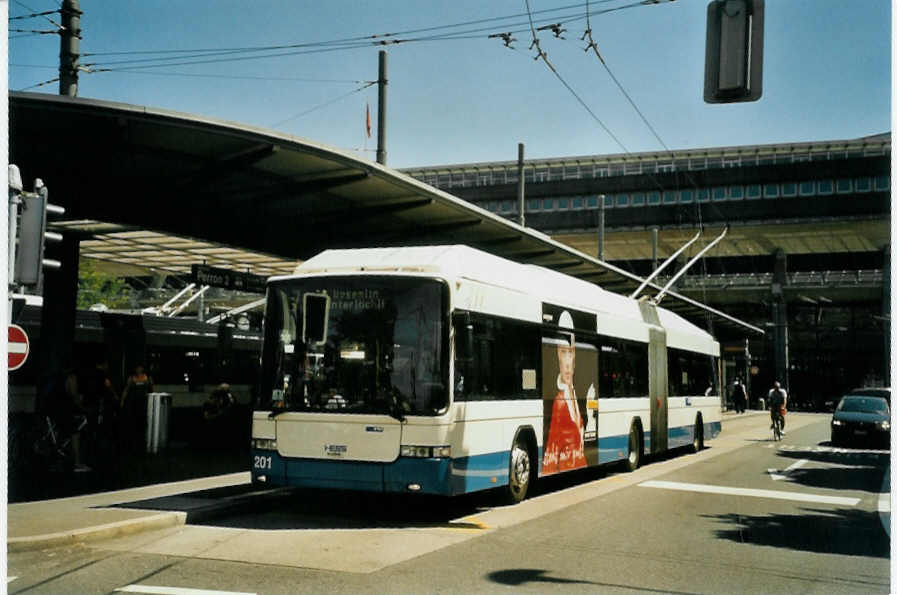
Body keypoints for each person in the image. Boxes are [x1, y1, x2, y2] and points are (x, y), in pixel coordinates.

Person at [541, 311, 589, 475]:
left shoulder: (575, 394)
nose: (567, 363)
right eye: (563, 352)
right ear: (557, 355)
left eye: (570, 352)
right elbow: (552, 452)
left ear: (574, 356)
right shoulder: (558, 402)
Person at [121, 364, 154, 452]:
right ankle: (133, 443)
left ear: (143, 369)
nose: (139, 369)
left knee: (142, 422)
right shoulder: (131, 378)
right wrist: (122, 400)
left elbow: (151, 389)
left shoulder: (147, 378)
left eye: (140, 368)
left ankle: (141, 442)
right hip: (134, 404)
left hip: (144, 403)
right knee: (133, 422)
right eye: (137, 368)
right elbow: (126, 389)